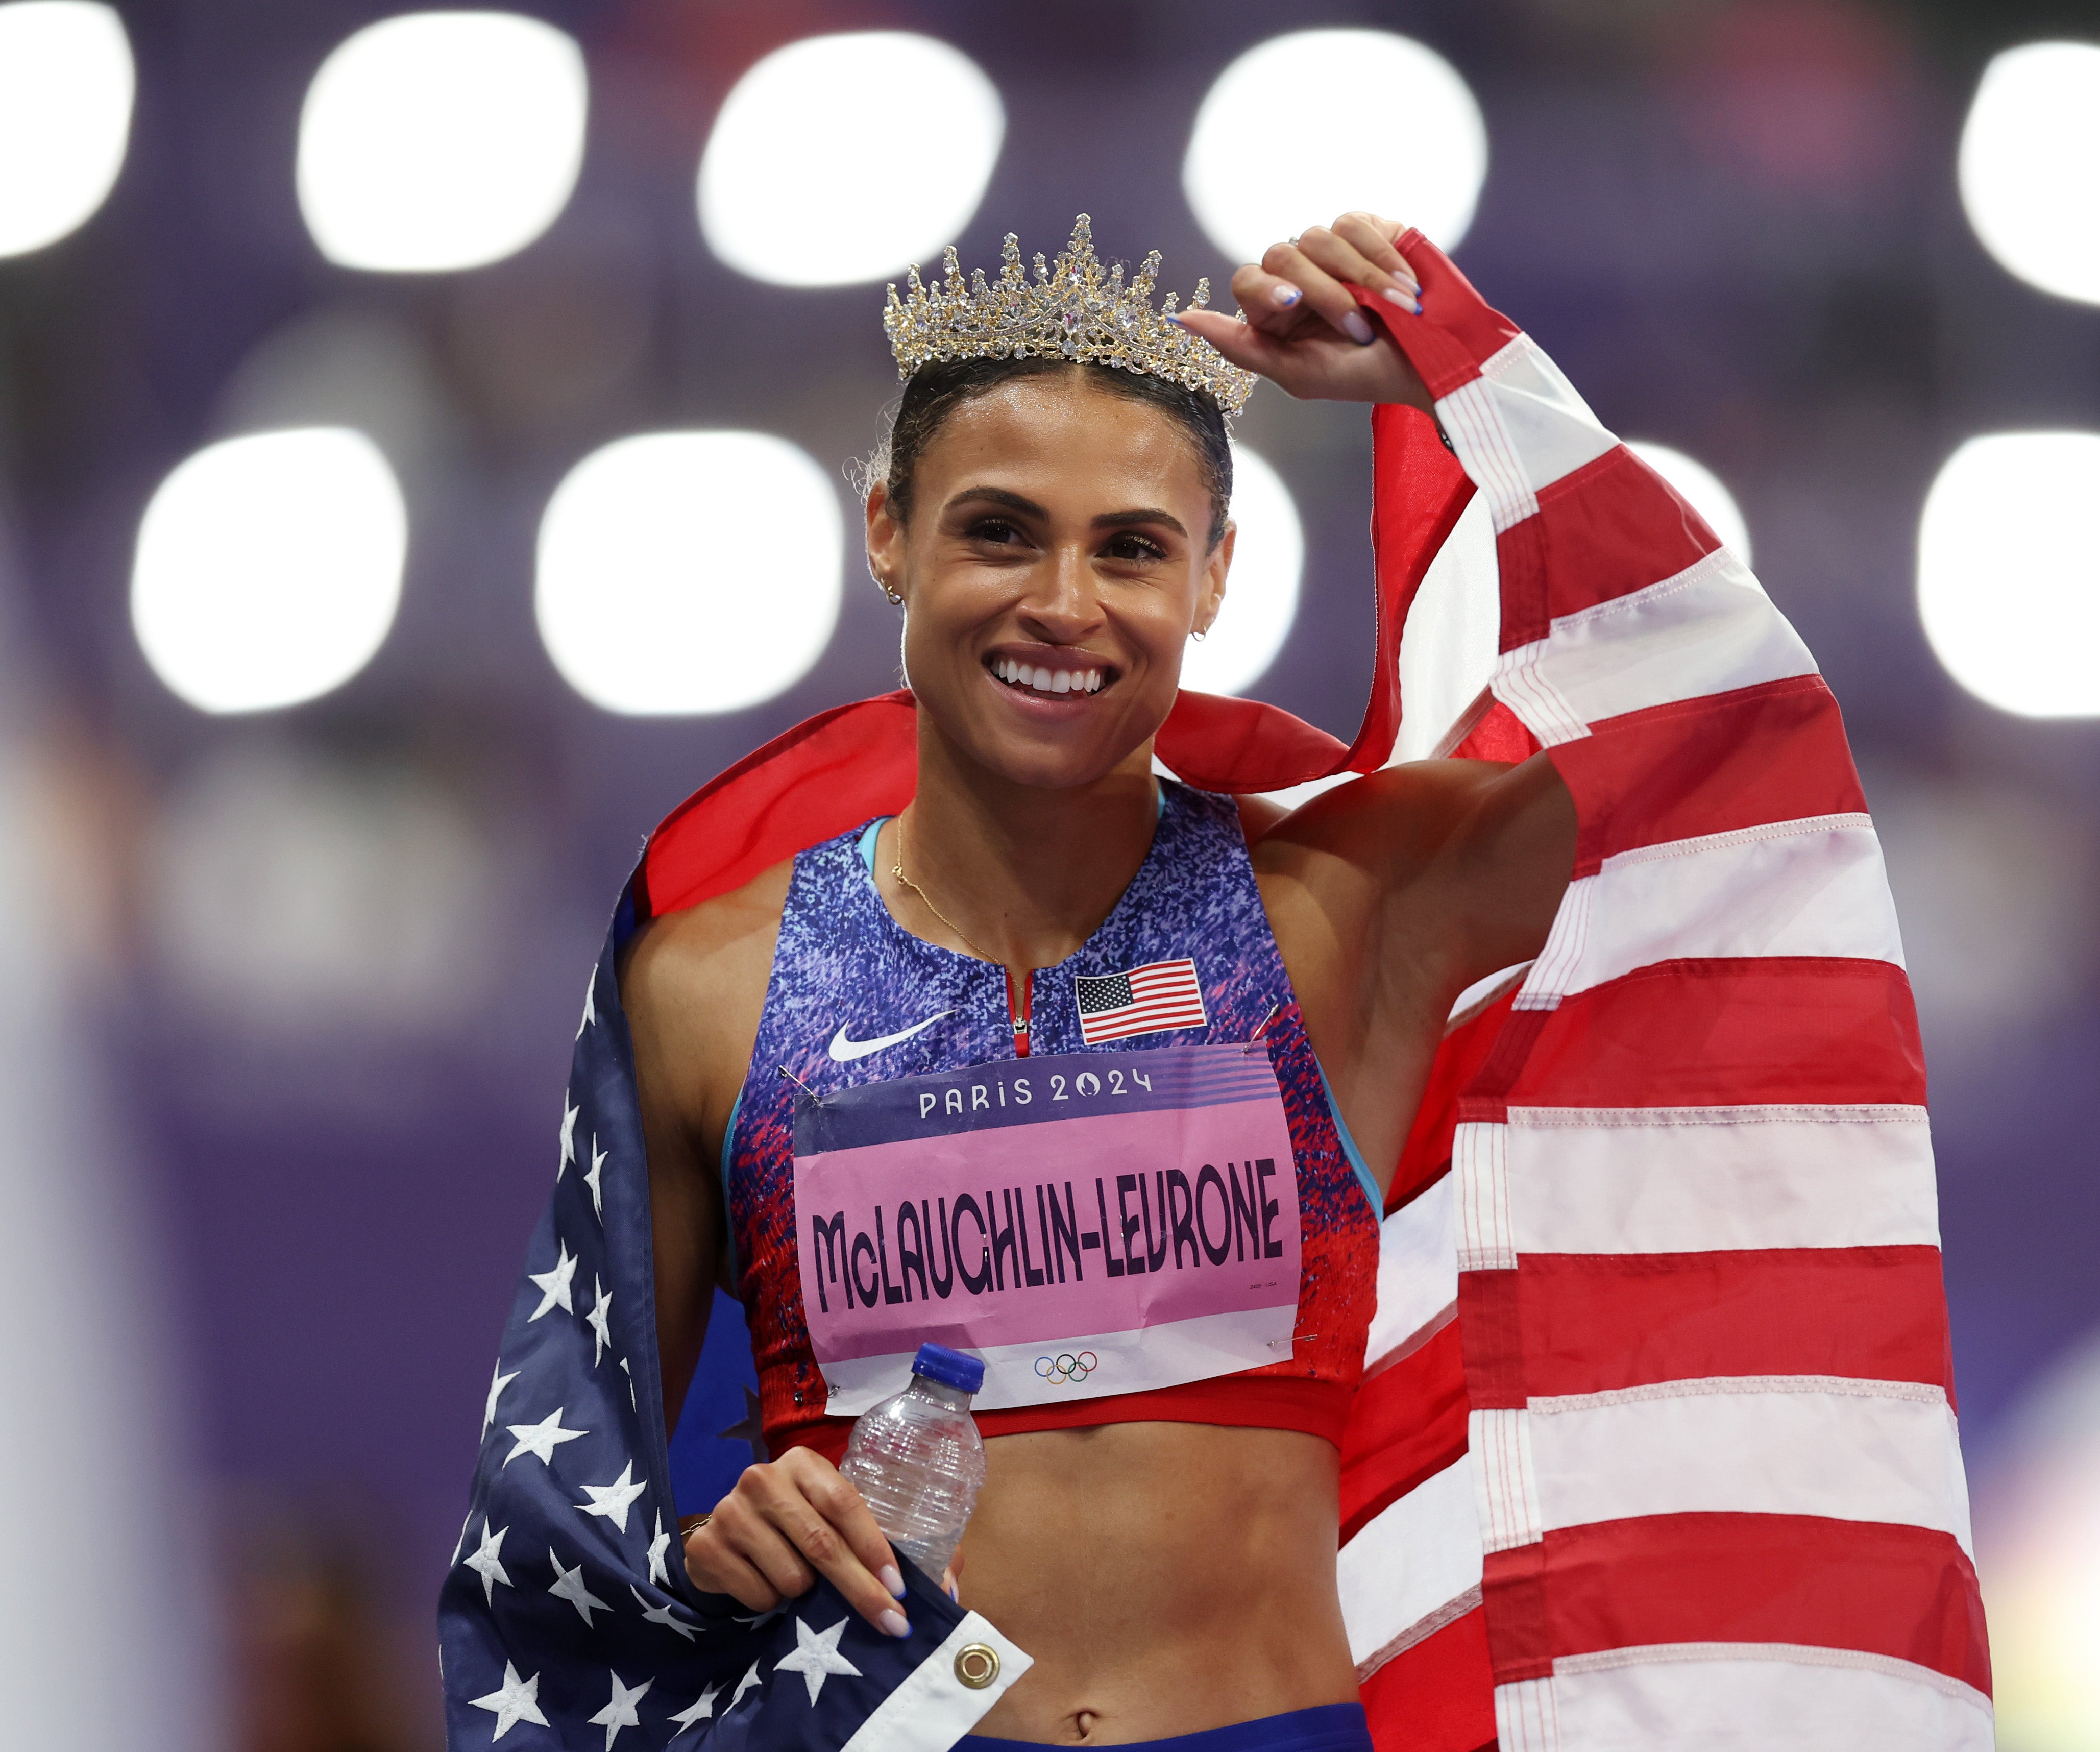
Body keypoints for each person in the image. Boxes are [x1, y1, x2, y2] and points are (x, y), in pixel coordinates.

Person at [627, 212, 1572, 1747]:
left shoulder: (1350, 913)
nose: (1062, 602)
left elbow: (1695, 743)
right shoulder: (701, 990)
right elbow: (563, 1531)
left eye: (1130, 547)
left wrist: (1462, 388)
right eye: (998, 529)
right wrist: (701, 1556)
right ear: (885, 531)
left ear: (1212, 577)